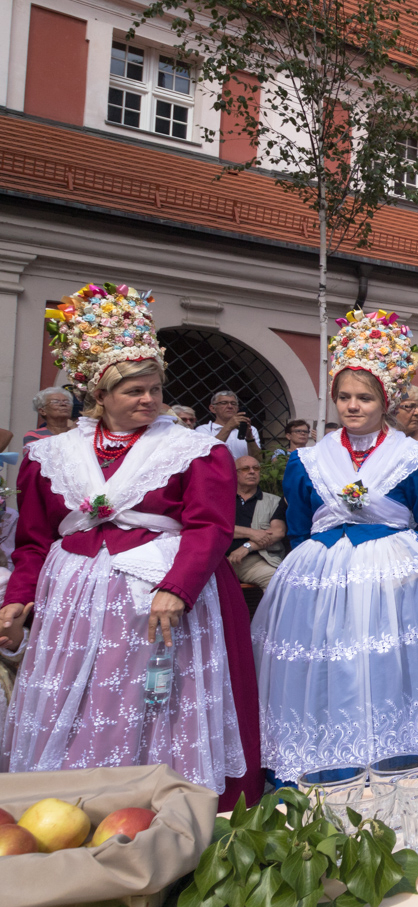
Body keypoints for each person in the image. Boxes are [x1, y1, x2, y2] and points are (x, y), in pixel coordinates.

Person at [0, 284, 260, 806]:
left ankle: (164, 809)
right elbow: (32, 541)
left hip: (158, 604)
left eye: (155, 389)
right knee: (78, 702)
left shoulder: (193, 450)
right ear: (99, 395)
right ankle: (70, 807)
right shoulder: (48, 455)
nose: (148, 400)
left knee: (154, 702)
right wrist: (16, 599)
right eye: (133, 391)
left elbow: (208, 527)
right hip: (72, 607)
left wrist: (178, 588)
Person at [252, 309, 418, 782]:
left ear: (386, 400)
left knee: (390, 663)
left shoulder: (412, 459)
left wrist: (395, 563)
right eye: (344, 396)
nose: (352, 406)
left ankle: (407, 749)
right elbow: (300, 525)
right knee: (332, 666)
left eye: (364, 397)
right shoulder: (310, 461)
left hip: (394, 581)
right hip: (323, 582)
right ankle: (325, 754)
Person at [229, 454, 286, 588]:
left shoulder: (273, 501)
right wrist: (251, 533)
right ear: (234, 473)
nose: (252, 472)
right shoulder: (221, 499)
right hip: (218, 561)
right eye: (245, 469)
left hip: (254, 561)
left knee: (277, 580)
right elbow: (215, 528)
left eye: (256, 468)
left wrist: (247, 547)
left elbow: (278, 532)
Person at [196, 390, 262, 461]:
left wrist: (249, 437)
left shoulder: (251, 429)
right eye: (224, 403)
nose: (230, 406)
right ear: (213, 408)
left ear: (237, 408)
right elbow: (207, 454)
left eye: (233, 403)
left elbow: (258, 460)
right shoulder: (203, 430)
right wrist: (229, 426)